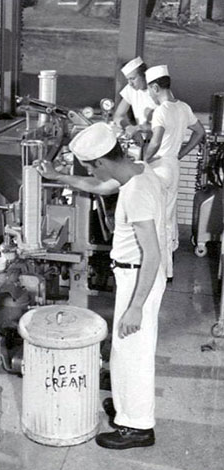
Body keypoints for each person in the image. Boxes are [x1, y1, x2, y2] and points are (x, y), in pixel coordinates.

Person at [37, 122, 167, 449]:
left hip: (140, 276)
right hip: (134, 274)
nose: (93, 174)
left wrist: (136, 306)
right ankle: (125, 409)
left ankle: (138, 427)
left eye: (92, 167)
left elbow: (152, 253)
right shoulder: (138, 169)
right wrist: (58, 176)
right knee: (124, 350)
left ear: (100, 162)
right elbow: (102, 187)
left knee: (134, 352)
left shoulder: (136, 191)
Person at [144, 65, 205, 279]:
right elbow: (200, 132)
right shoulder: (183, 107)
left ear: (155, 87)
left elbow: (155, 142)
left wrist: (142, 161)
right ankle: (168, 269)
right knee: (169, 219)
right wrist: (180, 153)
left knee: (157, 220)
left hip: (160, 167)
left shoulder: (161, 111)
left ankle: (159, 271)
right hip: (173, 167)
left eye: (149, 90)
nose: (149, 94)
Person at [113, 56, 157, 143]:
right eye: (128, 79)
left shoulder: (157, 91)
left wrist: (137, 129)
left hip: (158, 143)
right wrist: (128, 127)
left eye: (133, 79)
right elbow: (118, 115)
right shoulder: (130, 89)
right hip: (142, 142)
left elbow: (164, 124)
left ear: (144, 75)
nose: (130, 83)